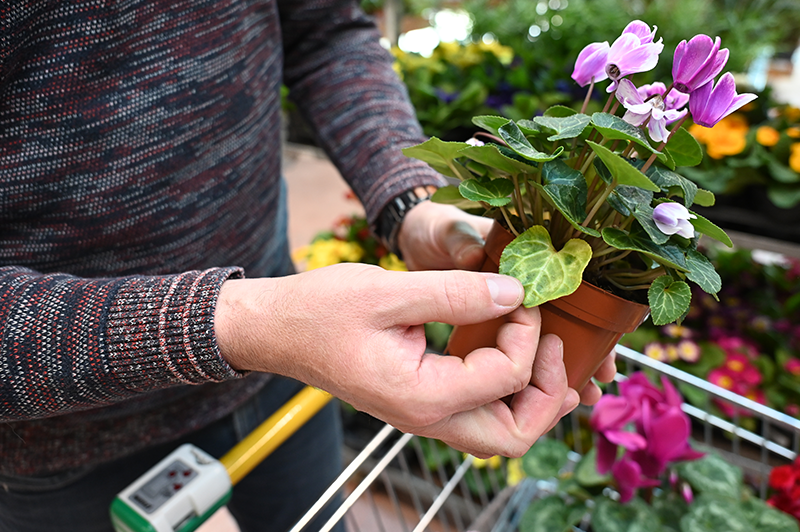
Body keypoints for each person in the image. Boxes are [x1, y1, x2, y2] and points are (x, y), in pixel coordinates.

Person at [0, 1, 615, 531]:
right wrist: (245, 326)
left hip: (279, 356)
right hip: (59, 437)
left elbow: (325, 32)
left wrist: (410, 207)